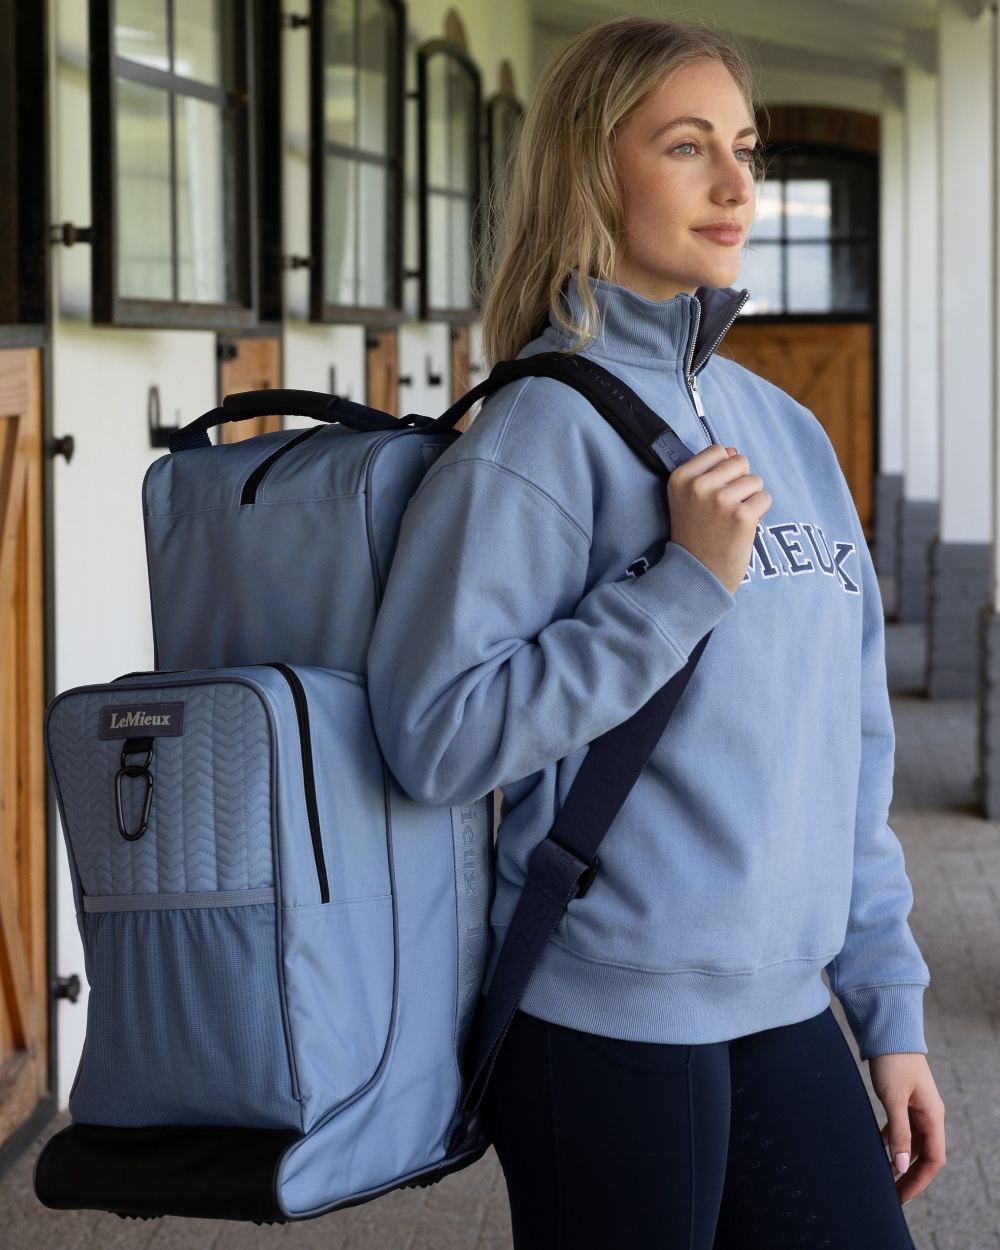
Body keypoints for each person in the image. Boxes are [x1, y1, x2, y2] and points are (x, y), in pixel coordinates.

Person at [365, 14, 946, 1248]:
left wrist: (887, 1010)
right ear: (593, 168)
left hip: (786, 1010)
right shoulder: (533, 436)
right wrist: (678, 586)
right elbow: (434, 734)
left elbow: (850, 754)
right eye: (688, 146)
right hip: (605, 1024)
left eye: (745, 145)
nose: (737, 184)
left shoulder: (786, 430)